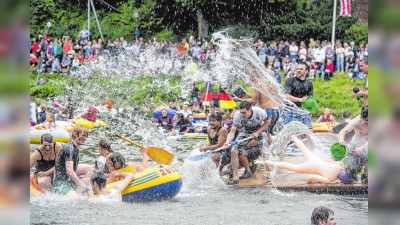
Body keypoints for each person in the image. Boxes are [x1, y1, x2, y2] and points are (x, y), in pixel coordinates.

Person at [255, 136, 343, 184]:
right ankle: (267, 162)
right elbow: (310, 178)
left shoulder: (339, 165)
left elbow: (325, 160)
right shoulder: (329, 179)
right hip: (311, 166)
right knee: (293, 167)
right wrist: (313, 181)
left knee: (305, 150)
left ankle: (293, 137)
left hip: (317, 160)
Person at [224, 101, 270, 185]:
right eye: (241, 113)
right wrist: (227, 142)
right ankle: (235, 178)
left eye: (244, 113)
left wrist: (257, 132)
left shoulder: (259, 112)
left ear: (250, 110)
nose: (242, 115)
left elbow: (268, 121)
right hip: (246, 130)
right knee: (233, 151)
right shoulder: (237, 115)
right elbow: (232, 131)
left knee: (264, 151)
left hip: (260, 130)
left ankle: (269, 176)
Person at [52, 126, 93, 195]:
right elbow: (69, 171)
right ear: (75, 134)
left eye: (86, 136)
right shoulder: (69, 148)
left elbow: (58, 166)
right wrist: (83, 186)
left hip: (70, 181)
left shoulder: (75, 148)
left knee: (91, 177)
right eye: (83, 136)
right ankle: (81, 191)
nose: (85, 138)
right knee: (74, 197)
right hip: (62, 183)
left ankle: (82, 191)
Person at [338, 106, 368, 184]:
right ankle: (352, 171)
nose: (367, 122)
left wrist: (362, 148)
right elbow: (343, 131)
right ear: (362, 117)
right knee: (351, 170)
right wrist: (341, 139)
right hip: (355, 144)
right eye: (365, 120)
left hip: (368, 145)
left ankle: (366, 174)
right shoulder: (356, 121)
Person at [281, 62, 314, 129]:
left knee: (308, 132)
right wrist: (299, 99)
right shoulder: (290, 80)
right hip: (289, 111)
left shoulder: (309, 83)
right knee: (287, 135)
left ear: (306, 71)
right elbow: (286, 96)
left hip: (302, 111)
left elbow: (311, 98)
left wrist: (310, 110)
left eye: (301, 69)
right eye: (297, 69)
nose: (298, 70)